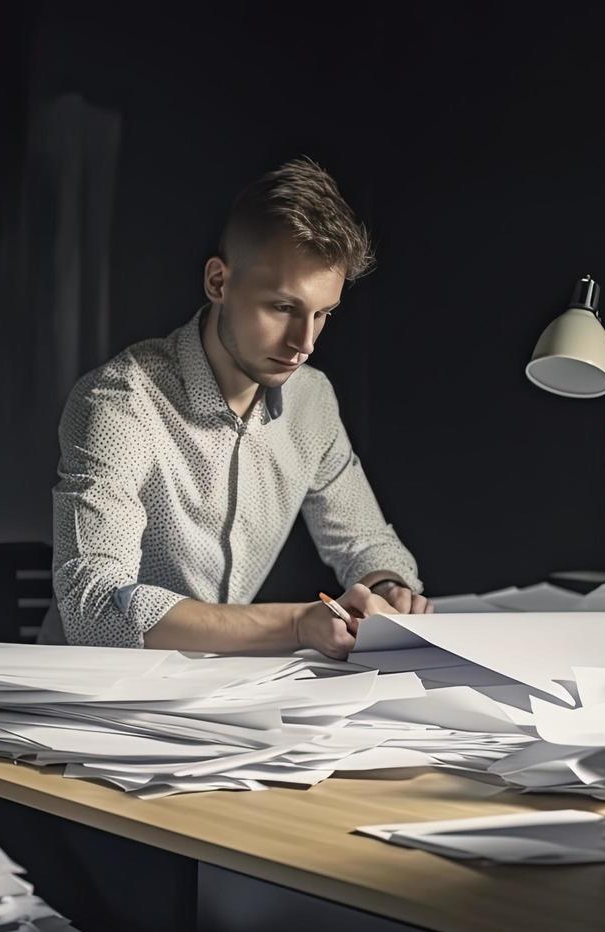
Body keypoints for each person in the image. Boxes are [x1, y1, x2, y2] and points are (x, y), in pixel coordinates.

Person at [40, 158, 433, 660]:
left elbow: (366, 541)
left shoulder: (311, 401)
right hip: (89, 697)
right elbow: (93, 608)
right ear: (218, 282)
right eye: (284, 308)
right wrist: (295, 624)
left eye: (322, 315)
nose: (304, 343)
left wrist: (387, 588)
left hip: (225, 696)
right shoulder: (120, 403)